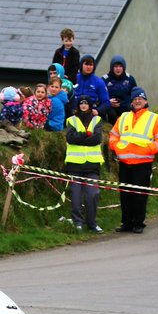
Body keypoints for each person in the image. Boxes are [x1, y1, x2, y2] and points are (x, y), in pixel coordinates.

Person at [109, 87, 158, 233]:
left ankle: (138, 223)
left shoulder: (154, 118)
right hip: (124, 163)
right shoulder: (123, 117)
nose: (137, 101)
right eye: (135, 99)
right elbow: (113, 135)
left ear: (145, 101)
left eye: (140, 99)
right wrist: (117, 148)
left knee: (139, 195)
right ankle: (126, 222)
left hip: (143, 164)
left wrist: (148, 149)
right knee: (125, 194)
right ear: (131, 101)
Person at [63, 95, 104, 233]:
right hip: (74, 164)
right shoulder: (71, 120)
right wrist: (86, 135)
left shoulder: (97, 119)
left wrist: (80, 137)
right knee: (75, 195)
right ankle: (78, 222)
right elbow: (70, 137)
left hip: (92, 165)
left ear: (90, 105)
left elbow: (97, 139)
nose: (83, 105)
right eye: (81, 103)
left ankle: (92, 223)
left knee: (92, 194)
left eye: (86, 103)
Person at [71, 55, 110, 119]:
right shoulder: (74, 78)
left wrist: (98, 110)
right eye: (86, 64)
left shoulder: (99, 82)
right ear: (81, 65)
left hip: (91, 114)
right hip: (74, 113)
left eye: (91, 65)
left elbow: (106, 102)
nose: (88, 67)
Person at [103, 55, 138, 121]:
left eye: (120, 66)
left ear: (123, 67)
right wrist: (108, 101)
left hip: (126, 107)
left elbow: (135, 94)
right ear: (112, 67)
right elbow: (100, 95)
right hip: (111, 108)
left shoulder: (130, 79)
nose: (118, 69)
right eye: (116, 66)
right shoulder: (105, 79)